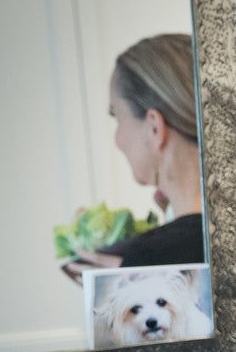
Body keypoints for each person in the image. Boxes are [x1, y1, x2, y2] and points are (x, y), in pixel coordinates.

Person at [62, 33, 205, 284]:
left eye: (117, 118)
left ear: (154, 127)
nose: (117, 139)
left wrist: (132, 275)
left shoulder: (151, 255)